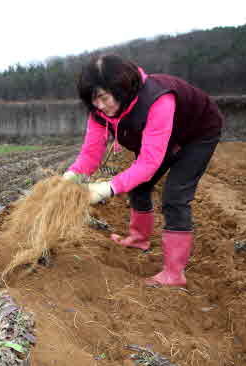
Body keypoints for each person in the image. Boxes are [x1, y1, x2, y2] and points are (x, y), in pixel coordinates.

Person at [63, 54, 223, 287]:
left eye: (104, 98)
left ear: (121, 88)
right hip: (160, 137)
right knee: (138, 186)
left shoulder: (158, 100)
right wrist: (71, 177)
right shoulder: (99, 112)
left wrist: (108, 187)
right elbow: (90, 154)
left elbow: (149, 163)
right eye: (93, 100)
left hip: (196, 133)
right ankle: (139, 238)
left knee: (175, 197)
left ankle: (174, 274)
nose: (99, 106)